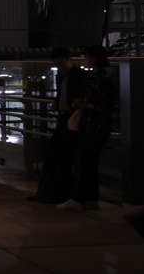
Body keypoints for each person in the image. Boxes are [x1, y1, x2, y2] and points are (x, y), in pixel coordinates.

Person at [57, 45, 116, 212]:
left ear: (93, 58)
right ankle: (90, 198)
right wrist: (81, 103)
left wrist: (85, 104)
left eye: (86, 56)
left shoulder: (102, 78)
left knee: (85, 164)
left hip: (96, 127)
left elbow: (107, 105)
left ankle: (80, 199)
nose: (84, 59)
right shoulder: (96, 76)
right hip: (91, 125)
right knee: (88, 164)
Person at [27, 47, 87, 204]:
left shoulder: (80, 75)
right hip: (64, 118)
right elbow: (62, 92)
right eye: (56, 64)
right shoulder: (61, 75)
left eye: (61, 63)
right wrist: (56, 101)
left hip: (72, 118)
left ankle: (57, 194)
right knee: (53, 156)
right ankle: (48, 193)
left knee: (64, 158)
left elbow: (80, 94)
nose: (60, 67)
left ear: (70, 59)